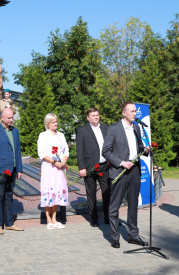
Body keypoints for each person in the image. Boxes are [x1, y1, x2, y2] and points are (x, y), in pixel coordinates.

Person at [102, 102, 150, 249]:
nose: (135, 113)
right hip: (119, 171)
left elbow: (139, 148)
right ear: (124, 113)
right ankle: (115, 237)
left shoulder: (136, 127)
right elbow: (106, 151)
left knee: (133, 204)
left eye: (135, 111)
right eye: (132, 111)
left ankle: (133, 236)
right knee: (114, 206)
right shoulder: (113, 129)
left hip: (135, 171)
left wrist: (146, 149)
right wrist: (121, 162)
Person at [0, 108, 24, 234]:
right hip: (1, 170)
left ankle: (9, 223)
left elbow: (18, 151)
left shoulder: (15, 131)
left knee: (9, 197)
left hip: (13, 170)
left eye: (12, 117)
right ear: (2, 118)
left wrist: (19, 168)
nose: (11, 120)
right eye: (8, 118)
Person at [76, 107, 110, 227]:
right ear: (88, 117)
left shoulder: (106, 128)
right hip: (89, 167)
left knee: (107, 192)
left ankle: (108, 218)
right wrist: (81, 167)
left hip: (105, 166)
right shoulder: (82, 130)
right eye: (93, 115)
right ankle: (94, 219)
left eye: (97, 115)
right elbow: (79, 150)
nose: (96, 117)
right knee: (91, 194)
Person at [37, 113, 69, 230]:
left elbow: (66, 150)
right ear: (47, 123)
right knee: (48, 190)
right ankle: (48, 219)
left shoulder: (61, 135)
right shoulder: (43, 135)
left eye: (56, 121)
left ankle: (55, 218)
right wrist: (53, 161)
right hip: (49, 166)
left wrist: (63, 161)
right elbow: (41, 152)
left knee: (57, 190)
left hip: (59, 167)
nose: (55, 124)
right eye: (53, 122)